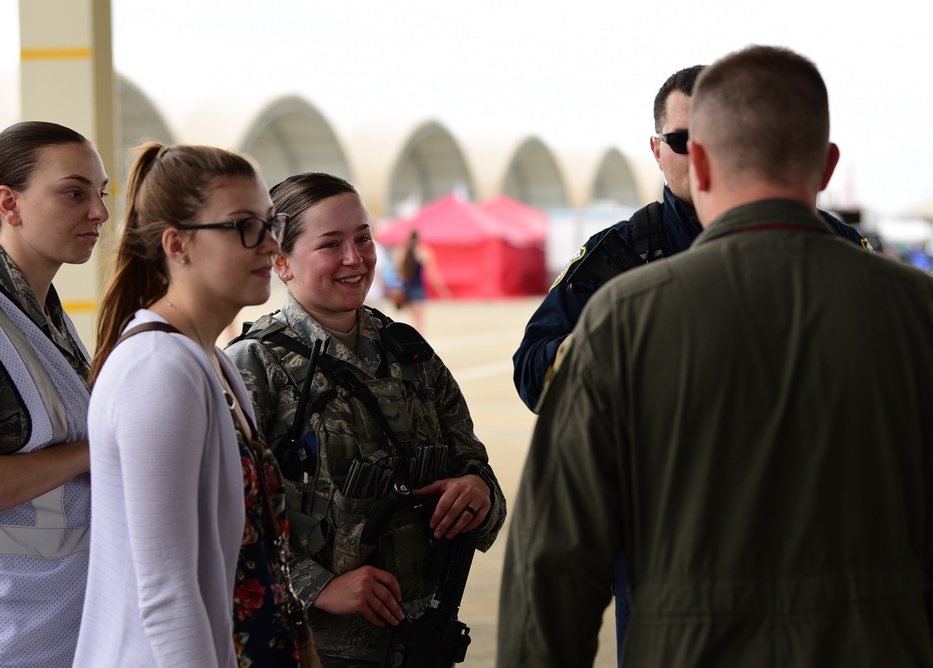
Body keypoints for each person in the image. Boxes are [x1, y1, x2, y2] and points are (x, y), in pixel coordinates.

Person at [498, 45, 933, 667]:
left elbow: (551, 561)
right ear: (829, 164)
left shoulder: (622, 319)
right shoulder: (914, 308)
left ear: (698, 160)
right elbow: (532, 366)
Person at [225, 172, 506, 667]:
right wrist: (320, 587)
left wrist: (477, 493)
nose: (355, 258)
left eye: (363, 238)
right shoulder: (256, 367)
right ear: (281, 261)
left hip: (422, 637)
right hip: (314, 649)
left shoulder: (411, 355)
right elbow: (226, 523)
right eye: (331, 244)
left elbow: (478, 470)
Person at [512, 64, 872, 413]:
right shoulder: (616, 253)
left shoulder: (832, 241)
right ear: (657, 151)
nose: (702, 155)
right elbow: (531, 370)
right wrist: (614, 346)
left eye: (719, 139)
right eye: (682, 140)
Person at [72, 143, 294, 667]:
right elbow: (166, 590)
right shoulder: (158, 369)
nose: (270, 246)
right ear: (178, 244)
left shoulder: (210, 359)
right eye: (245, 226)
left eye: (271, 223)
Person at [0, 121, 106, 667]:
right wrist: (88, 452)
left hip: (59, 625)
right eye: (74, 192)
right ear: (10, 204)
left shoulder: (44, 315)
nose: (99, 211)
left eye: (101, 194)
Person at [392, 228, 449, 334]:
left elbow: (397, 271)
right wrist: (441, 290)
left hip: (406, 288)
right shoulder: (423, 251)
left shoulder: (401, 250)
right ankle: (417, 343)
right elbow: (432, 274)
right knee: (419, 320)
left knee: (413, 318)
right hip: (417, 288)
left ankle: (413, 341)